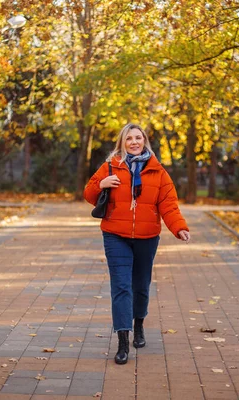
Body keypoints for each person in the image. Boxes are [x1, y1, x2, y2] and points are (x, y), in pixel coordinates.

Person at [84, 123, 190, 364]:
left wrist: (179, 227)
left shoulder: (158, 171)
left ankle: (139, 324)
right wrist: (101, 184)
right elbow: (89, 194)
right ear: (122, 142)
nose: (134, 142)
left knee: (140, 286)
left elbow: (169, 204)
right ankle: (122, 341)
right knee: (121, 287)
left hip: (146, 237)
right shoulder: (110, 166)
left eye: (138, 138)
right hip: (115, 234)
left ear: (144, 141)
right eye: (129, 138)